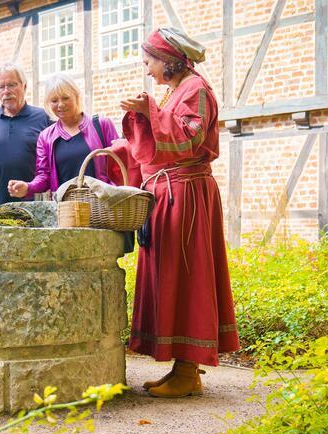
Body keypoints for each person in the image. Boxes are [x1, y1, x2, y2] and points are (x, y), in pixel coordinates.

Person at [109, 27, 239, 398]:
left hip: (187, 195)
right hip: (171, 193)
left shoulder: (196, 89)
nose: (147, 69)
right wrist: (140, 118)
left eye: (149, 61)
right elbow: (156, 148)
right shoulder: (176, 90)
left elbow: (187, 139)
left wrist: (147, 109)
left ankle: (187, 370)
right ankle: (181, 367)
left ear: (168, 60)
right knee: (172, 275)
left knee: (187, 274)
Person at [7, 74, 118, 199]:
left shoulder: (102, 125)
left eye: (65, 98)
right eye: (54, 101)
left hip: (103, 206)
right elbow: (44, 176)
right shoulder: (46, 137)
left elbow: (120, 165)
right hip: (67, 210)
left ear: (76, 96)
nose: (60, 105)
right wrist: (28, 187)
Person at [0, 63, 52, 206]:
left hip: (35, 204)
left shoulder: (44, 117)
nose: (6, 91)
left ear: (24, 86)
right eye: (1, 87)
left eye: (11, 85)